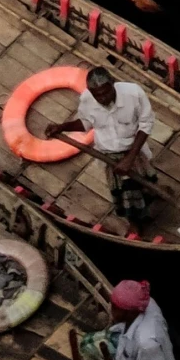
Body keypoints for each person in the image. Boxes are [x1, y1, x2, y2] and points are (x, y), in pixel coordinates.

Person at [44, 66, 157, 236]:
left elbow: (146, 124)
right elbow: (85, 123)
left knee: (146, 179)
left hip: (133, 149)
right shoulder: (87, 100)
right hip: (108, 152)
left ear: (113, 84)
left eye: (106, 93)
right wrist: (63, 126)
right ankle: (134, 222)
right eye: (98, 95)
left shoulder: (134, 94)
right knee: (126, 193)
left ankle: (154, 192)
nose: (103, 98)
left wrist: (130, 158)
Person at [76, 280, 178, 360]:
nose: (110, 308)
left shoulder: (146, 342)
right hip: (132, 349)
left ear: (131, 313)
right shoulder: (146, 303)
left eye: (114, 308)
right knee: (86, 343)